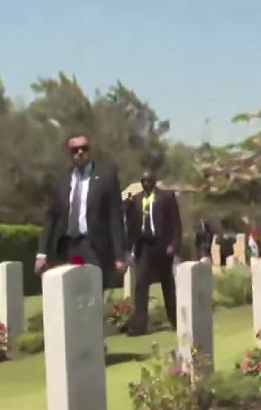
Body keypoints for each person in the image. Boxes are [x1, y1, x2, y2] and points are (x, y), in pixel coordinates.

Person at [35, 133, 127, 287]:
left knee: (93, 290)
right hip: (68, 246)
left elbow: (115, 217)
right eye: (75, 150)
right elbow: (51, 217)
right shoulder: (63, 179)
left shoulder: (105, 177)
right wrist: (42, 253)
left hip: (93, 246)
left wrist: (119, 255)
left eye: (84, 148)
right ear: (70, 154)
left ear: (89, 151)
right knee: (71, 292)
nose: (80, 152)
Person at [124, 171, 182, 334]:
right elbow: (130, 226)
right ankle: (139, 325)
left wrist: (174, 244)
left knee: (167, 285)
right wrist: (129, 249)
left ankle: (176, 320)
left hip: (162, 245)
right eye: (143, 180)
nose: (146, 183)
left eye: (149, 180)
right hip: (144, 246)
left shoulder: (166, 198)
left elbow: (176, 223)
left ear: (154, 181)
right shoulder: (136, 199)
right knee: (141, 285)